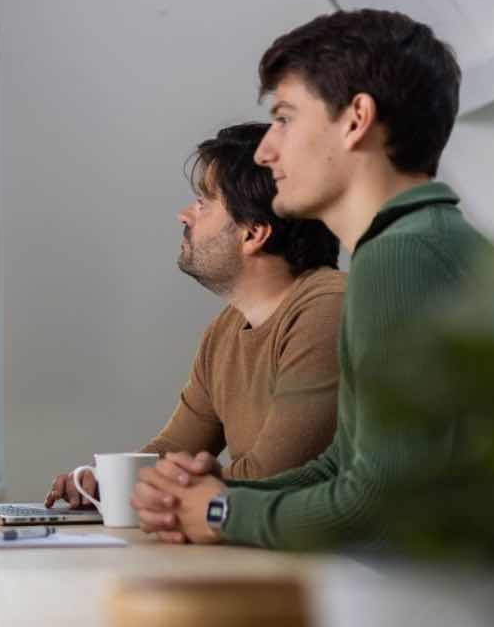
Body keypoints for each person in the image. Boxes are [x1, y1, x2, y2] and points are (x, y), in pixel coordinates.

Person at [133, 8, 494, 549]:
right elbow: (344, 463)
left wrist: (218, 511)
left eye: (284, 118)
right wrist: (218, 499)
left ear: (356, 119)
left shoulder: (398, 259)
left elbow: (371, 502)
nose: (266, 149)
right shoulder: (418, 242)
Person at [46, 123, 343, 507]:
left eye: (203, 202)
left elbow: (271, 477)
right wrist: (106, 482)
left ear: (254, 233)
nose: (184, 215)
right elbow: (172, 451)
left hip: (339, 562)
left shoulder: (328, 309)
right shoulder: (225, 329)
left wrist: (150, 487)